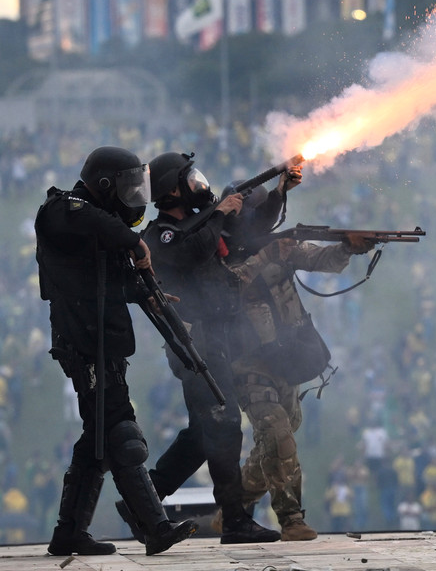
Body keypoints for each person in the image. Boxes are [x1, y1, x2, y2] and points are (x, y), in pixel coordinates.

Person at [35, 146, 198, 556]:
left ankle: (69, 532)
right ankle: (154, 526)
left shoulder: (100, 228)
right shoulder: (64, 210)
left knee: (97, 442)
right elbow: (85, 218)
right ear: (105, 185)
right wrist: (133, 242)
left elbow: (110, 283)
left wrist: (149, 294)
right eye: (125, 186)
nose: (133, 196)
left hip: (104, 342)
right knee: (123, 434)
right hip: (83, 342)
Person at [117, 151, 281, 545]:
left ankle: (146, 497)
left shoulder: (204, 223)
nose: (200, 184)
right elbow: (193, 251)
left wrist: (280, 191)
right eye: (190, 179)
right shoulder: (162, 236)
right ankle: (236, 521)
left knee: (203, 433)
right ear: (173, 189)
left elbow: (253, 231)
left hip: (214, 339)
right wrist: (220, 214)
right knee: (224, 425)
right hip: (195, 341)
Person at [221, 183, 376, 541]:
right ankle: (291, 518)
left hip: (285, 356)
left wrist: (348, 248)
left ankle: (235, 504)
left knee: (283, 430)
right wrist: (269, 255)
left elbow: (319, 260)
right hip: (247, 360)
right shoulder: (221, 251)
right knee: (277, 431)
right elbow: (230, 285)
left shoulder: (279, 246)